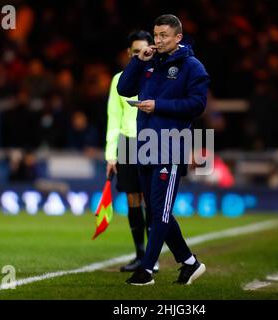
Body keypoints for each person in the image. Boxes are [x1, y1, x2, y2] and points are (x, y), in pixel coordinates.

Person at [117, 14, 210, 285]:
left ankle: (146, 269)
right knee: (158, 210)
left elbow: (196, 105)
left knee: (160, 212)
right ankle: (190, 262)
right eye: (155, 35)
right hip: (145, 144)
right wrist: (137, 60)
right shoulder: (150, 61)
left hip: (171, 146)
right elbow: (124, 88)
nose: (158, 40)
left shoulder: (193, 67)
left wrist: (158, 106)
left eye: (164, 36)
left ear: (178, 38)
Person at [105, 30, 159, 272]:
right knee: (132, 200)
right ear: (129, 54)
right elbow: (113, 118)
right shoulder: (119, 79)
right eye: (135, 51)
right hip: (127, 143)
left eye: (143, 50)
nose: (140, 54)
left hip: (150, 141)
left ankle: (152, 257)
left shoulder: (155, 75)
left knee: (151, 201)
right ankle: (140, 255)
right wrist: (110, 154)